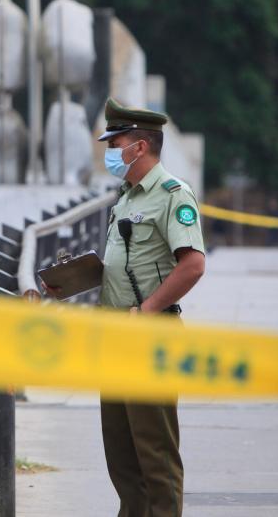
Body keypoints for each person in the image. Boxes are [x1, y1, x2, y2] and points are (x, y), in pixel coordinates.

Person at [97, 97, 206, 517]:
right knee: (122, 458)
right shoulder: (125, 197)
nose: (109, 151)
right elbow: (127, 265)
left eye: (115, 141)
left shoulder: (171, 195)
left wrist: (146, 312)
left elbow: (193, 265)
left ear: (139, 147)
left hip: (149, 336)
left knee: (155, 457)